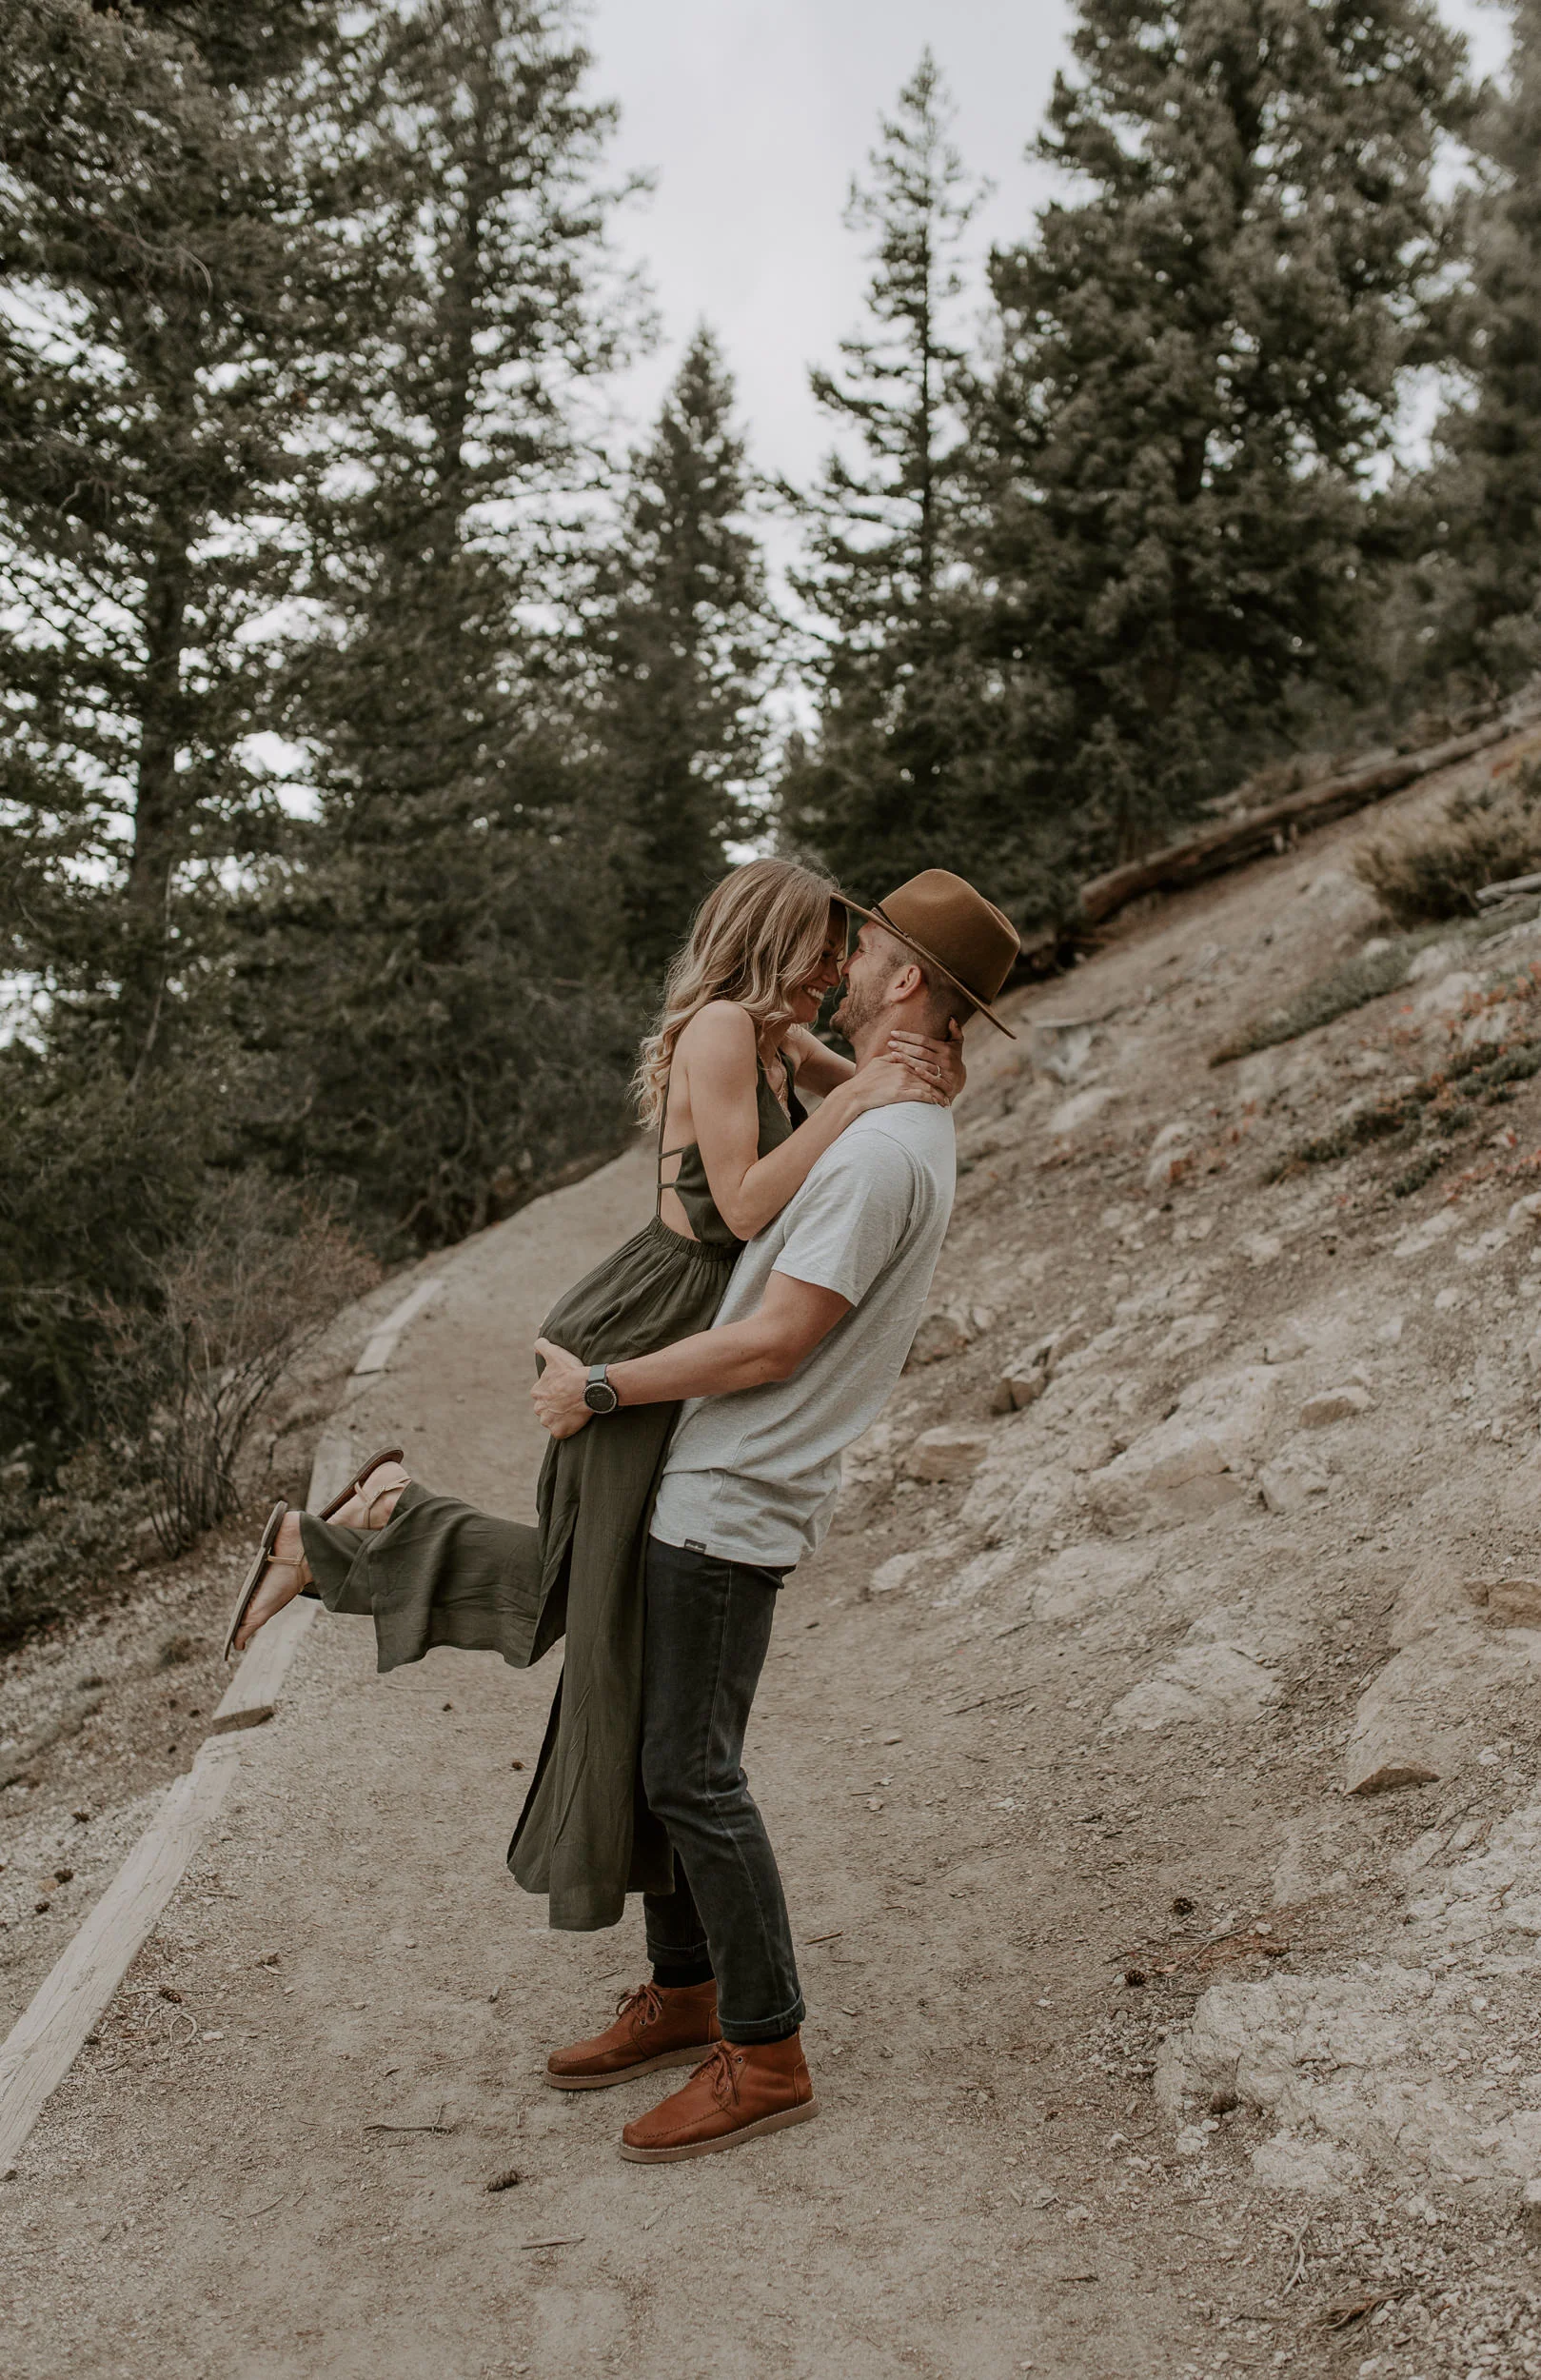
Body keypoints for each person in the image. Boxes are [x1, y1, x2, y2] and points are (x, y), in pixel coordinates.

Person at [227, 858, 964, 1937]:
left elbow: (886, 1066)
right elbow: (751, 1205)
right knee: (589, 1588)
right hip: (648, 1315)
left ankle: (376, 1517)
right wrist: (856, 1090)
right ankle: (350, 1535)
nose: (833, 973)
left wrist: (918, 1063)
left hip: (685, 1318)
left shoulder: (770, 1034)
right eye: (823, 949)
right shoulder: (720, 1029)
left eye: (848, 956)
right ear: (773, 941)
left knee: (602, 1591)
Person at [528, 868, 1019, 2163]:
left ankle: (767, 2050)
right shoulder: (885, 1123)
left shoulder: (878, 1151)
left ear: (903, 978)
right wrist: (826, 1055)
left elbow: (772, 1342)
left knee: (691, 1775)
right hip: (720, 1480)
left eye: (859, 949)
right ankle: (686, 1993)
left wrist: (600, 1383)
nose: (837, 963)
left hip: (735, 1494)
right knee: (660, 1754)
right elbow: (785, 1057)